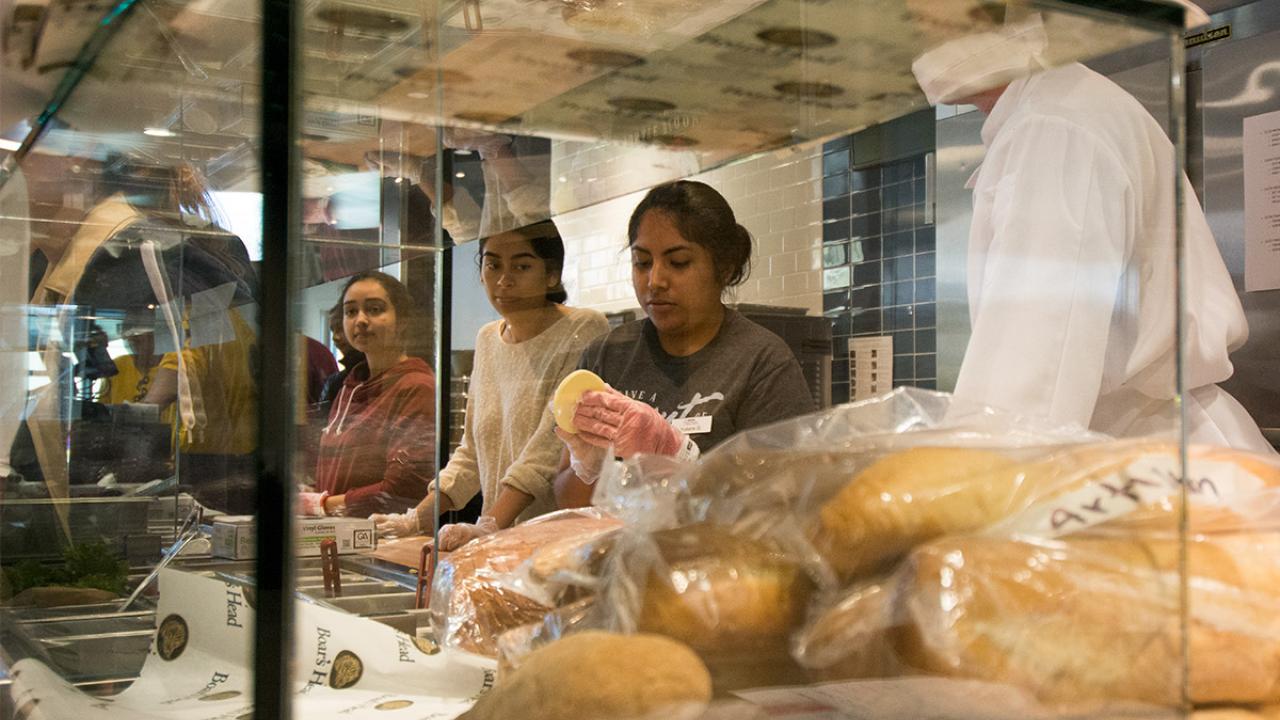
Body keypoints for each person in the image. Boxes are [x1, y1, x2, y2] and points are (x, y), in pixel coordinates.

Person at [910, 8, 1273, 454]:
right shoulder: (1052, 111)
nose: (919, 32)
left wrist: (964, 494)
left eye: (932, 19)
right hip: (1135, 450)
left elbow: (1035, 373)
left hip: (1153, 464)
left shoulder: (1054, 126)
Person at [555, 180, 816, 509]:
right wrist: (589, 465)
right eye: (642, 262)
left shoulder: (761, 362)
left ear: (724, 267)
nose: (655, 281)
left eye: (678, 262)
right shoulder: (607, 355)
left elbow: (782, 502)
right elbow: (567, 501)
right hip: (622, 555)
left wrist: (675, 456)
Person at [371, 220, 609, 548]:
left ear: (552, 274)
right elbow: (471, 451)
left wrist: (488, 527)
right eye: (493, 264)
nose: (504, 280)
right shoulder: (487, 339)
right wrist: (417, 518)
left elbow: (548, 449)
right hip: (501, 544)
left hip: (560, 544)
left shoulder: (585, 327)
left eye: (522, 266)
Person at [300, 271, 436, 517]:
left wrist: (322, 505)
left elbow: (405, 487)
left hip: (384, 537)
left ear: (402, 319)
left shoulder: (416, 385)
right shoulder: (349, 386)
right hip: (339, 534)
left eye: (374, 309)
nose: (360, 320)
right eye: (351, 312)